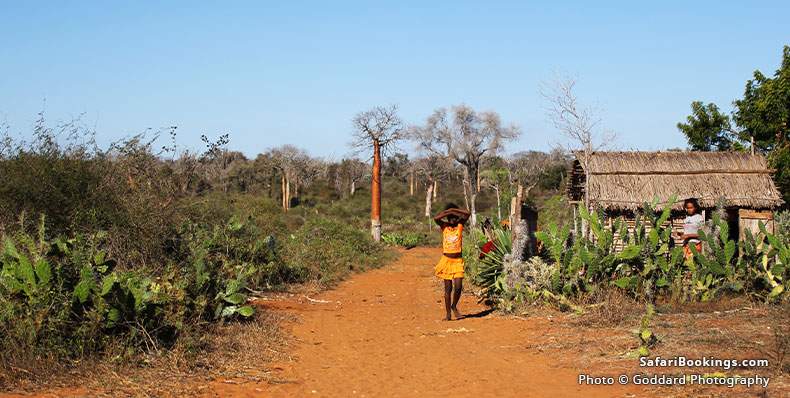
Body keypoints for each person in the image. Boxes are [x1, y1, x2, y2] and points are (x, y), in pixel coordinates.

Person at [433, 203, 470, 321]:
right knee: (448, 289)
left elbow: (467, 214)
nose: (453, 219)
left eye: (455, 217)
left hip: (457, 261)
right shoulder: (444, 226)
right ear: (448, 218)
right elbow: (436, 218)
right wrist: (449, 211)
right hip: (446, 261)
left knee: (458, 286)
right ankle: (448, 314)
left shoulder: (460, 225)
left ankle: (454, 306)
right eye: (451, 217)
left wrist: (454, 210)